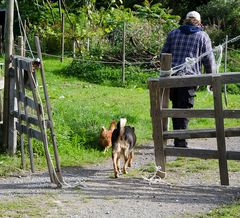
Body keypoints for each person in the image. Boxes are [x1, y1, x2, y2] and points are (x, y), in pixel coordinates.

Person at [160, 11, 216, 147]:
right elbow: (209, 60)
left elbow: (163, 54)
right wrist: (211, 79)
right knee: (185, 109)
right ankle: (180, 141)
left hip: (172, 78)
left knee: (175, 108)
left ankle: (176, 138)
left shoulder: (173, 33)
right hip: (190, 79)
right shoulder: (202, 36)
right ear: (198, 21)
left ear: (186, 20)